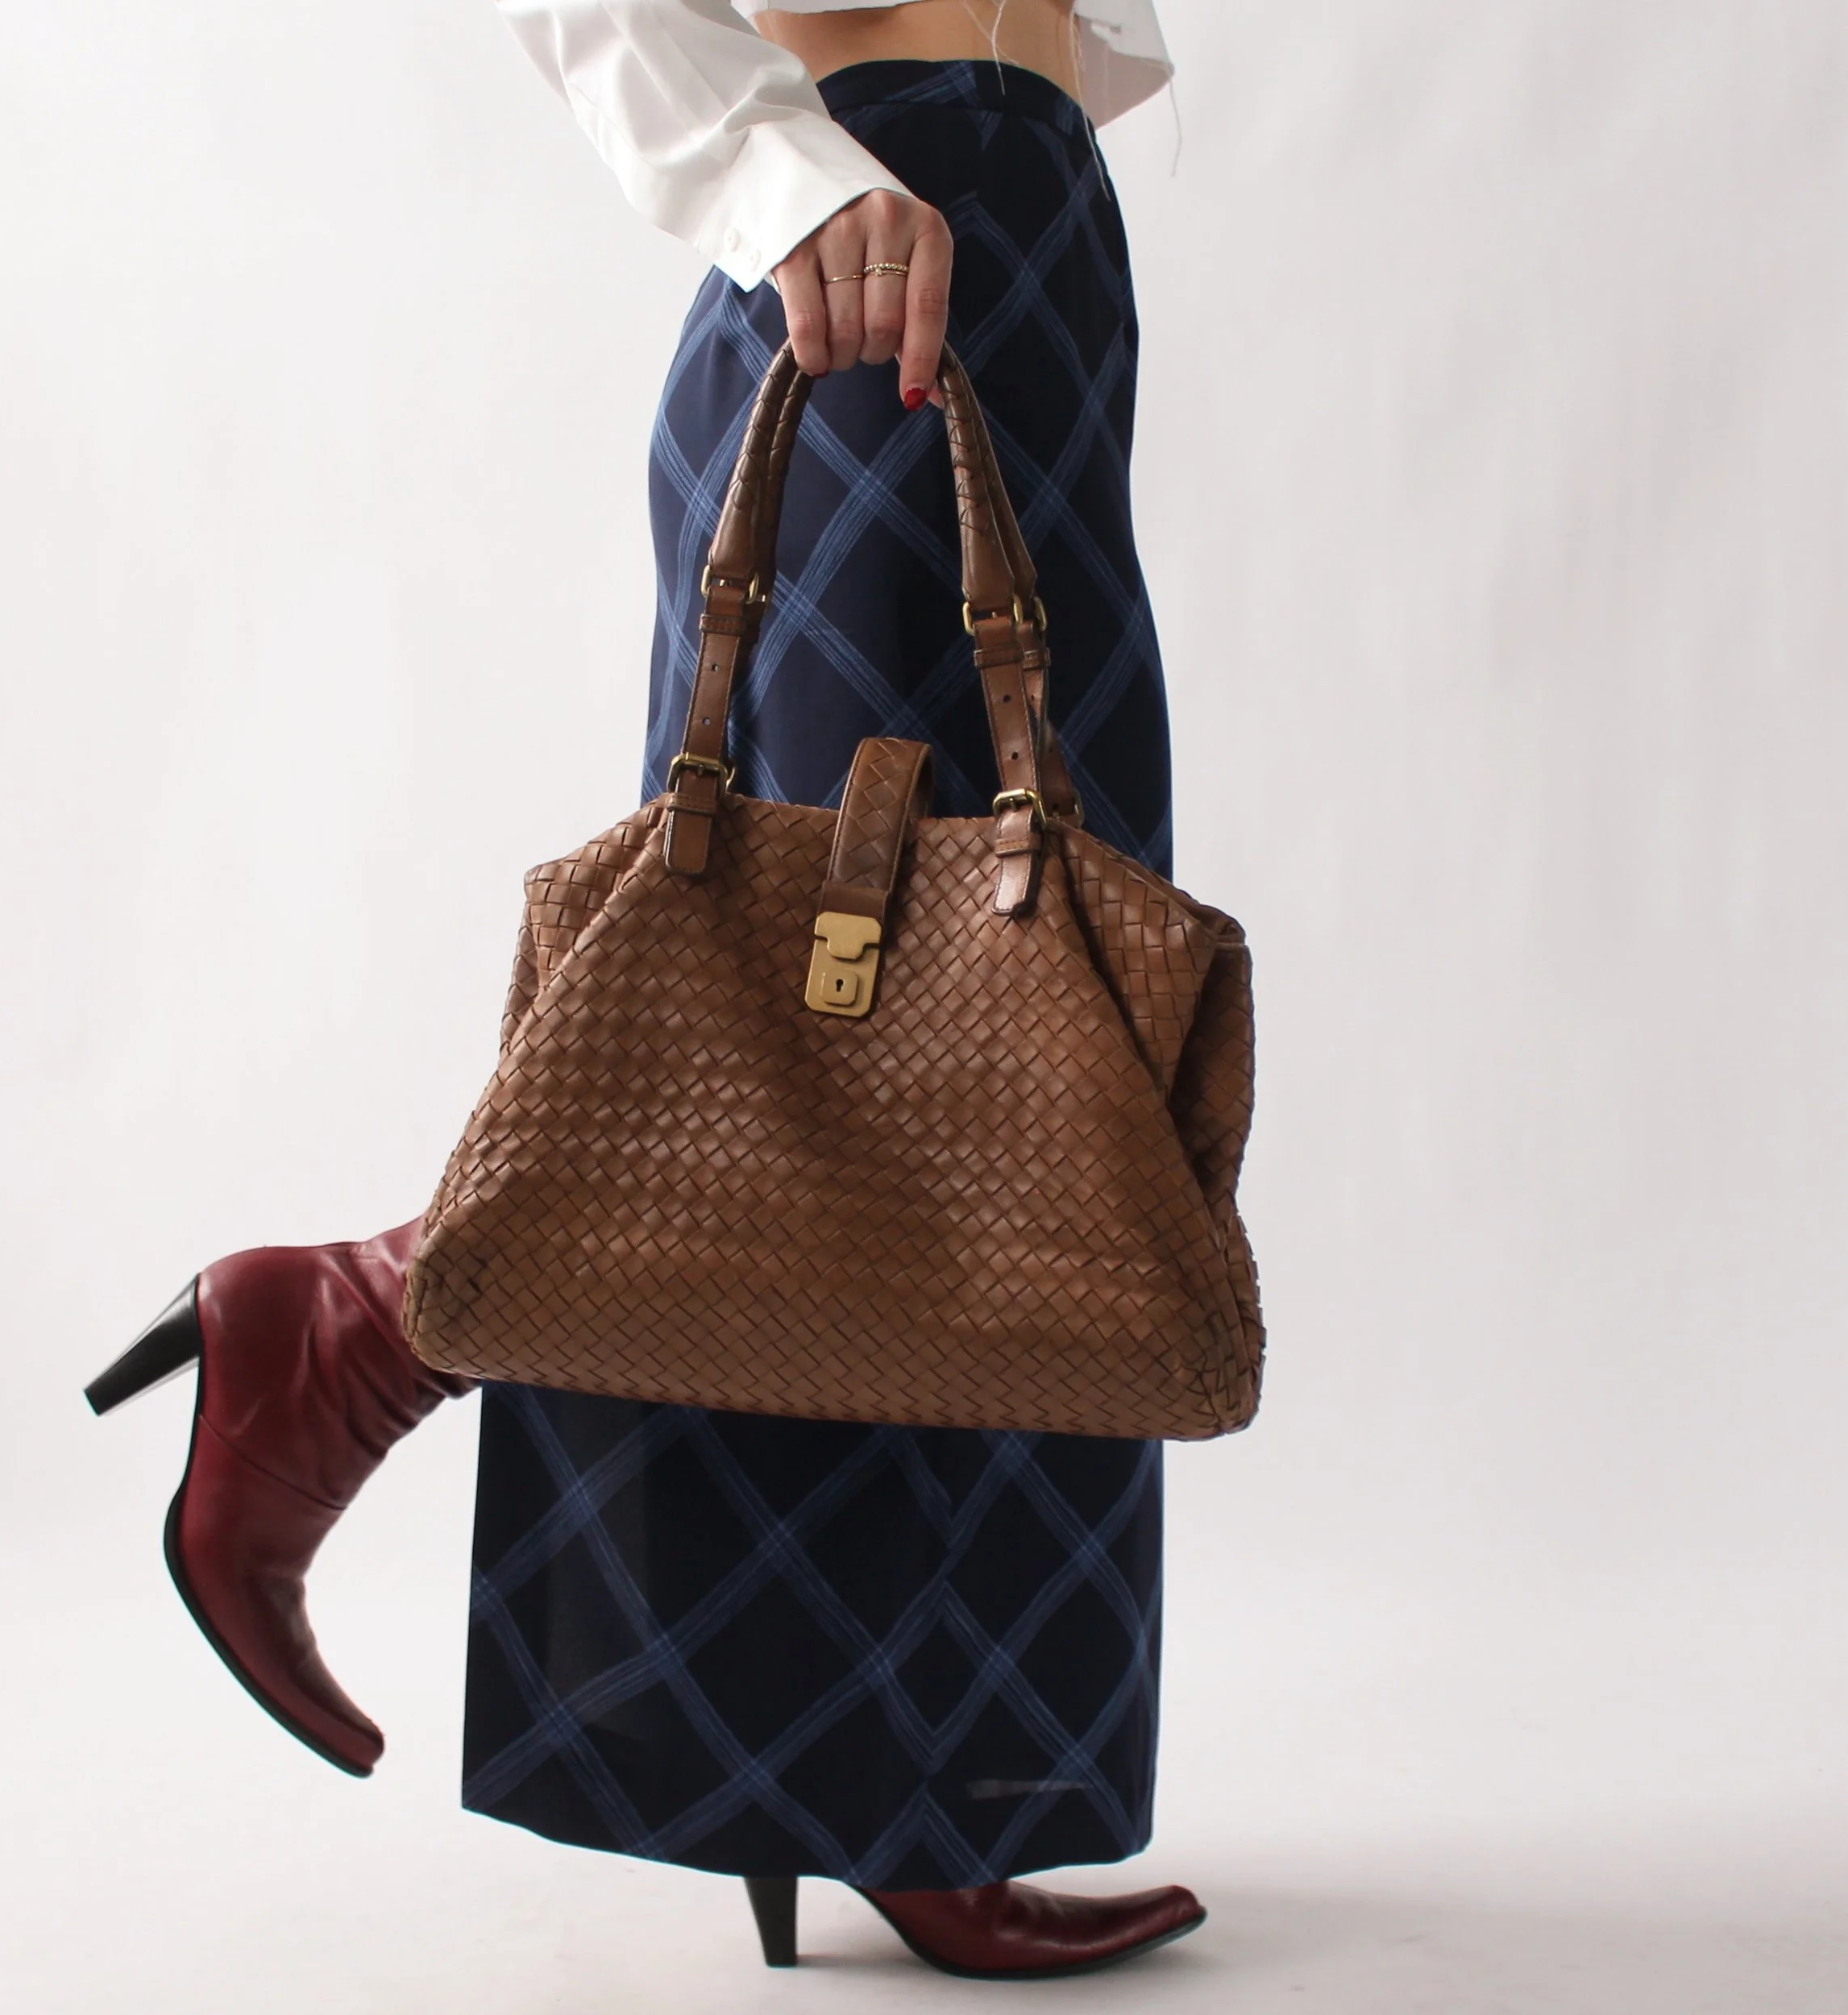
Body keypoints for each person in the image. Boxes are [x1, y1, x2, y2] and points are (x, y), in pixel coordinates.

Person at [88, 0, 1202, 1980]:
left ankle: (892, 1775)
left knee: (991, 1046)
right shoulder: (847, 193)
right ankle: (356, 1329)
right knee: (850, 1039)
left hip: (1016, 249)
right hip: (874, 248)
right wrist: (779, 175)